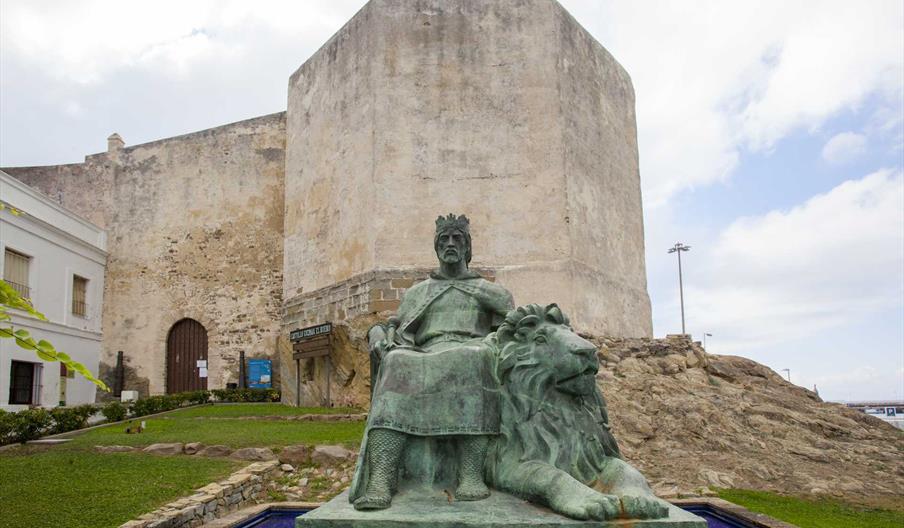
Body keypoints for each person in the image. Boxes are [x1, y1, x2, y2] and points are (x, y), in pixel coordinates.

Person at [350, 214, 514, 510]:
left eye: (457, 239)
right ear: (436, 246)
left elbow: (508, 330)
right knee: (397, 361)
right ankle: (381, 481)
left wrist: (491, 342)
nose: (450, 244)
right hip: (424, 353)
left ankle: (471, 476)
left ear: (467, 247)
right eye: (444, 239)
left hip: (472, 348)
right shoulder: (419, 291)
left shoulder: (491, 291)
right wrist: (375, 332)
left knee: (473, 358)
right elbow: (395, 326)